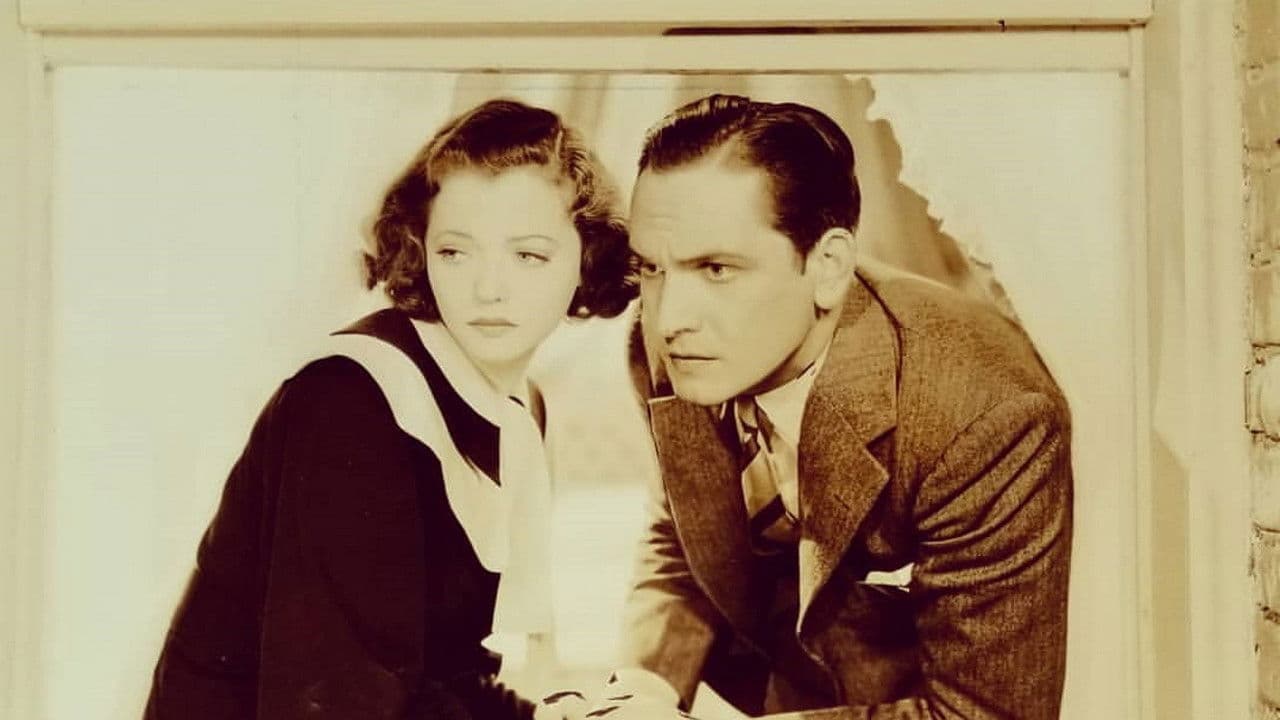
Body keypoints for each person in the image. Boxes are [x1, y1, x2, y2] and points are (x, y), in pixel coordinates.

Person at [578, 94, 1074, 719]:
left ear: (828, 266)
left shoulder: (986, 415)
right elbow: (686, 529)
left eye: (718, 269)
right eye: (651, 268)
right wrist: (639, 694)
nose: (669, 318)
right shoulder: (664, 347)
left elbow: (985, 714)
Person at [144, 98, 636, 720]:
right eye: (455, 252)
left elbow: (446, 671)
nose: (488, 288)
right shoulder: (351, 399)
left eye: (528, 255)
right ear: (419, 249)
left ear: (587, 259)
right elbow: (337, 697)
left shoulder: (518, 407)